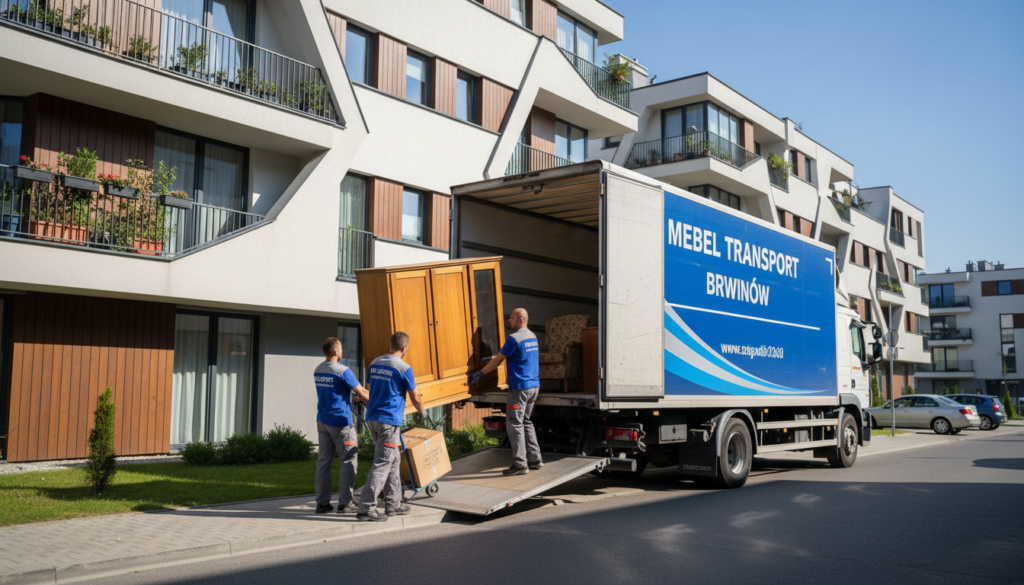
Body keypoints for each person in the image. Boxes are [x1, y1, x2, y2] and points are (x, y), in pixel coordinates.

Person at [356, 331, 425, 522]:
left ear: (391, 344)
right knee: (383, 462)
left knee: (393, 459)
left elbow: (369, 391)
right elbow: (415, 396)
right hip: (388, 421)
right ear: (404, 348)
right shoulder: (403, 368)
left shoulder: (375, 363)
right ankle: (366, 507)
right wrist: (422, 412)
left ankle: (393, 504)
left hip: (373, 418)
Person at [470, 308, 542, 476]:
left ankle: (520, 465)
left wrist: (481, 373)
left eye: (512, 318)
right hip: (534, 387)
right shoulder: (533, 336)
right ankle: (535, 459)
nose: (509, 320)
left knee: (514, 424)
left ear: (521, 320)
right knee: (526, 421)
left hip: (520, 389)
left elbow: (497, 360)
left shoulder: (514, 339)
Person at [313, 337, 369, 514]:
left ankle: (322, 503)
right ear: (336, 351)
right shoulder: (343, 371)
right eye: (342, 349)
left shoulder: (318, 369)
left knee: (324, 461)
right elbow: (362, 393)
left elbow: (333, 392)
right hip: (341, 424)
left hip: (323, 421)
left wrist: (349, 399)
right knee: (348, 459)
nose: (343, 351)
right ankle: (345, 503)